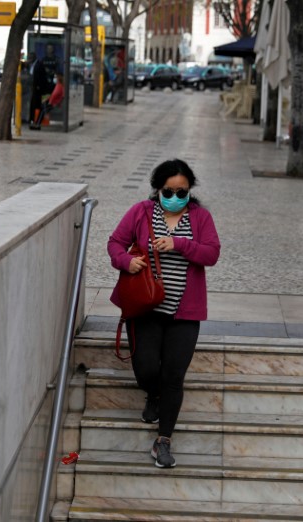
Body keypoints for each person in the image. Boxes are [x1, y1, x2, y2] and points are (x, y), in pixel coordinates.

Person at [107, 159, 221, 469]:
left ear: (189, 190)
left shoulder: (200, 218)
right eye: (168, 191)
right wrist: (125, 262)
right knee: (145, 368)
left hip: (185, 313)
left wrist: (180, 244)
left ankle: (163, 441)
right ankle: (152, 394)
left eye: (181, 191)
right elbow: (115, 242)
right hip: (145, 308)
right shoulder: (141, 212)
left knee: (174, 376)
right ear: (158, 189)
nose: (174, 196)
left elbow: (211, 253)